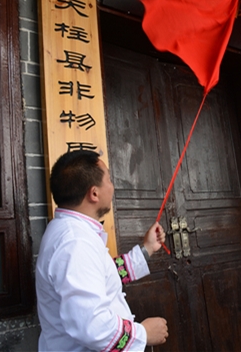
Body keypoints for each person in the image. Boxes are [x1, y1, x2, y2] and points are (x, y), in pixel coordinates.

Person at [36, 150, 169, 351]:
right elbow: (92, 326)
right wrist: (143, 334)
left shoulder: (71, 230)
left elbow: (101, 275)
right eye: (109, 179)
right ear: (94, 193)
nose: (112, 186)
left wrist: (147, 249)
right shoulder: (75, 243)